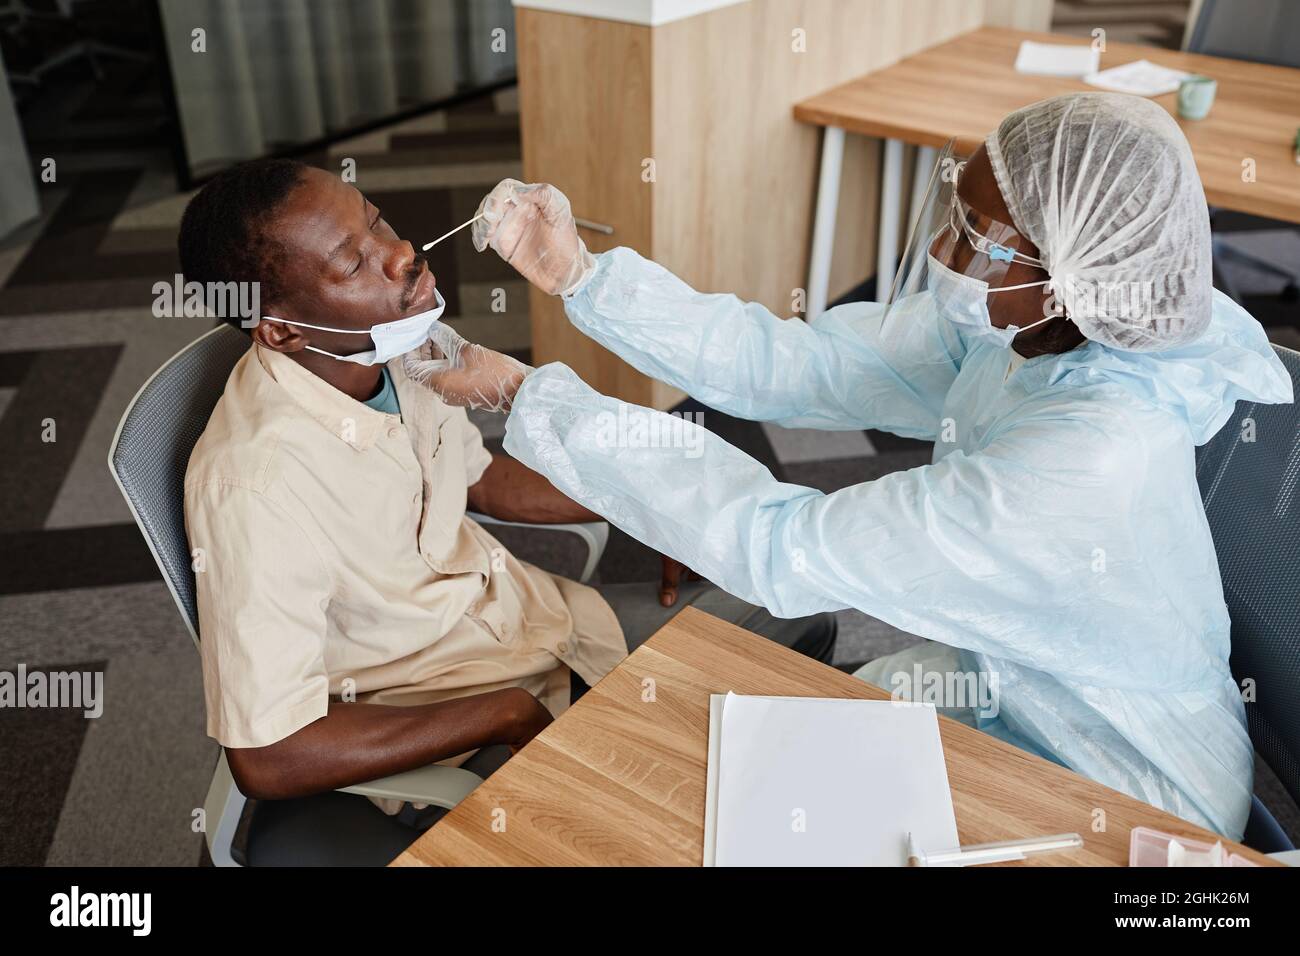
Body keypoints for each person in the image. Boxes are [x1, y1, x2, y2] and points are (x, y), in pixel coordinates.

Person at [407, 93, 1293, 839]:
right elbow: (788, 361)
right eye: (955, 210)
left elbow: (780, 544)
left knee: (769, 815)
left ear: (1073, 269)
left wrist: (527, 399)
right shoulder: (1030, 332)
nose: (944, 255)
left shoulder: (1085, 460)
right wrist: (583, 276)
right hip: (1012, 679)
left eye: (978, 236)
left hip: (1127, 784)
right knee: (767, 787)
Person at [176, 159, 836, 820]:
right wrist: (503, 713)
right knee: (690, 804)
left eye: (379, 223)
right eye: (353, 264)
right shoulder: (252, 486)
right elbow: (269, 755)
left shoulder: (399, 348)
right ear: (282, 330)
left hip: (542, 623)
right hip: (445, 718)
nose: (402, 254)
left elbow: (481, 478)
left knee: (799, 623)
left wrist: (647, 504)